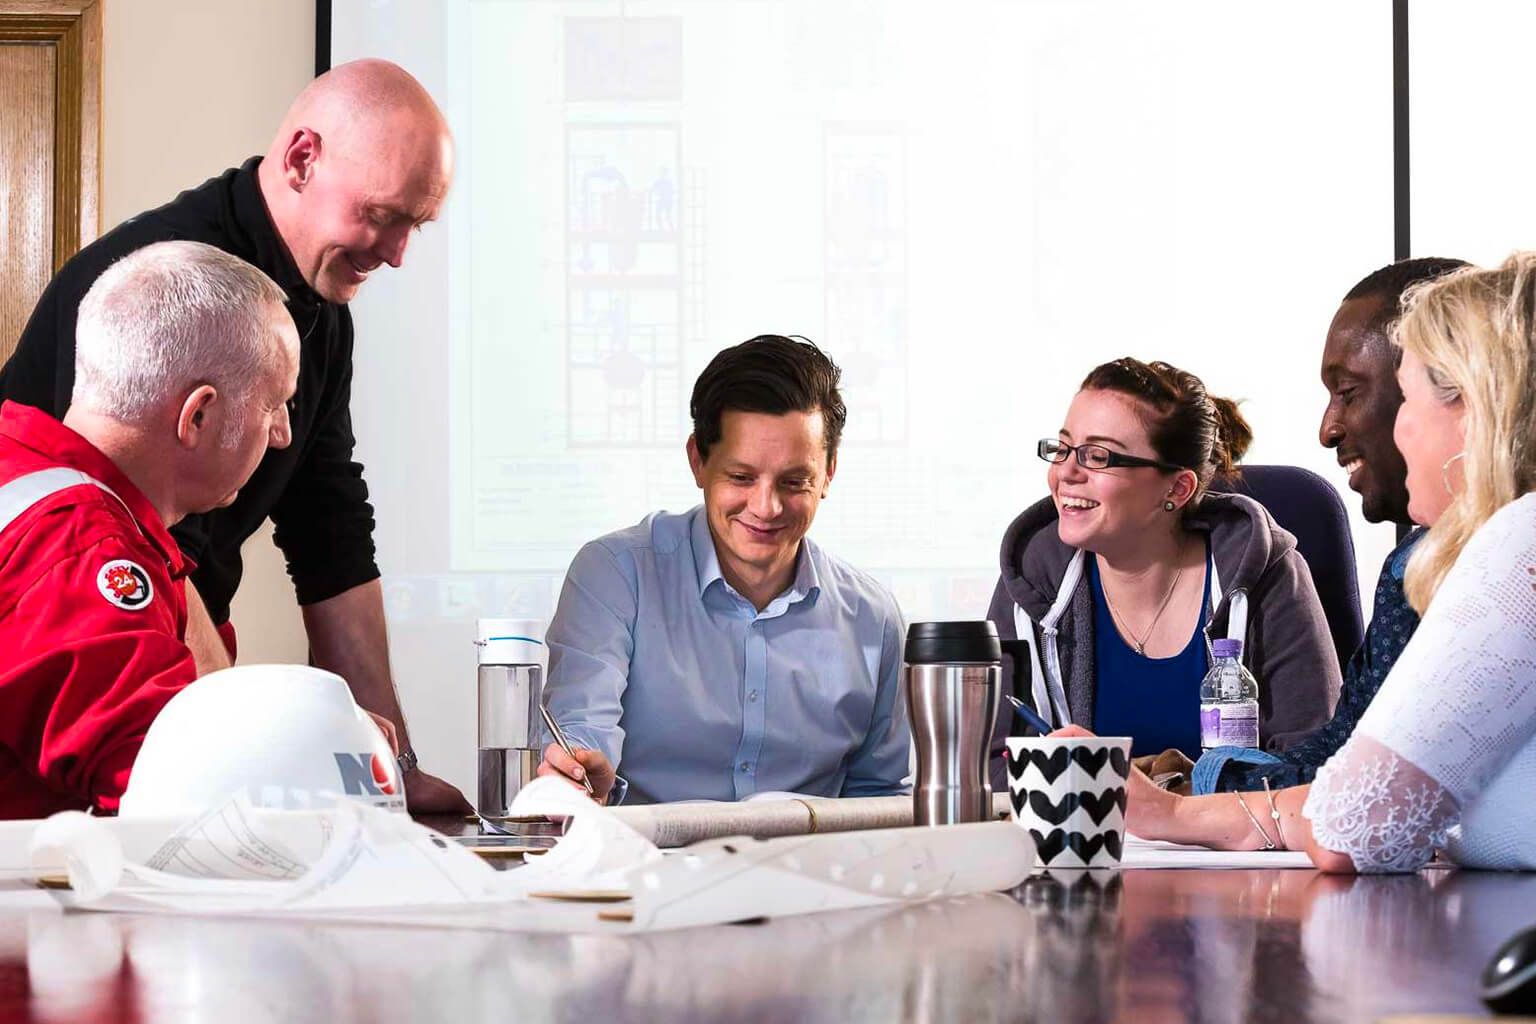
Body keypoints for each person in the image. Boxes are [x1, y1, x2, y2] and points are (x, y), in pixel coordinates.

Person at [0, 60, 466, 811]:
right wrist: (266, 745)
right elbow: (177, 790)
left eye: (417, 224)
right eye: (383, 215)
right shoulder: (153, 289)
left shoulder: (322, 313)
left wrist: (395, 773)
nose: (397, 253)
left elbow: (332, 535)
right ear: (302, 158)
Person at [1121, 253, 1536, 871]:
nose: (1400, 431)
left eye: (1410, 396)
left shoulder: (1518, 549)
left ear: (1473, 405)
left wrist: (1171, 814)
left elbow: (1355, 823)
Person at [537, 335, 909, 804]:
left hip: (810, 871)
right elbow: (580, 734)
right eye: (741, 477)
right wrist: (582, 775)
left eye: (795, 482)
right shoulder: (615, 574)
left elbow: (879, 793)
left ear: (829, 473)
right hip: (645, 867)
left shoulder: (873, 616)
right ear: (698, 461)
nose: (767, 507)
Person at [0, 241, 300, 817]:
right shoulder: (80, 547)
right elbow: (180, 794)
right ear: (199, 416)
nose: (283, 433)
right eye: (274, 404)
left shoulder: (27, 480)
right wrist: (317, 741)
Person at [986, 357, 1339, 782]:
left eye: (1097, 456)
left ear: (1177, 488)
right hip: (1081, 844)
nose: (1065, 473)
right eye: (1062, 449)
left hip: (1238, 847)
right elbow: (992, 767)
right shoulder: (1032, 580)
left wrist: (1165, 797)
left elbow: (1314, 764)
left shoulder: (1266, 576)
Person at [1193, 257, 1469, 793]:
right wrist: (1206, 780)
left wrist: (1193, 799)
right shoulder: (1413, 562)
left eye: (1348, 392)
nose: (1327, 429)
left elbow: (1371, 795)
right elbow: (1349, 742)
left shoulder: (1495, 564)